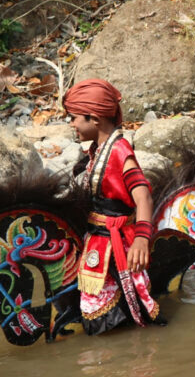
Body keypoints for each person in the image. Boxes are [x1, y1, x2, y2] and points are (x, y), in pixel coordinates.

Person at [64, 78, 164, 335]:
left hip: (116, 239)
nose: (72, 124)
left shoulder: (120, 151)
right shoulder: (97, 149)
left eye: (74, 118)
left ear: (94, 119)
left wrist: (142, 239)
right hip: (97, 238)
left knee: (113, 313)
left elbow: (143, 196)